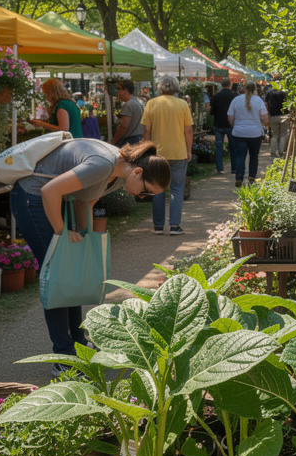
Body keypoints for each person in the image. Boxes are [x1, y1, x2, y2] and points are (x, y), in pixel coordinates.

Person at [11, 139, 170, 365]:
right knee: (60, 276)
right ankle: (64, 358)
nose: (142, 197)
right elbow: (49, 191)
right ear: (137, 172)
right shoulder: (104, 164)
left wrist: (83, 236)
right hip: (32, 197)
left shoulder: (118, 172)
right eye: (146, 191)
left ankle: (78, 344)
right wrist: (62, 233)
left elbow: (85, 199)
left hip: (54, 200)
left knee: (72, 272)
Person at [144, 75, 193, 235]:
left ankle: (158, 226)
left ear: (160, 87)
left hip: (158, 152)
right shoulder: (182, 104)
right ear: (175, 88)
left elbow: (146, 130)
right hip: (179, 152)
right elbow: (188, 130)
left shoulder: (151, 103)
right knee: (177, 189)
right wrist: (189, 150)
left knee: (158, 189)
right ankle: (174, 226)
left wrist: (145, 149)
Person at [228, 81, 269, 187]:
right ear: (255, 89)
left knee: (240, 156)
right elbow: (265, 117)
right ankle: (251, 177)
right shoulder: (258, 100)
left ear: (244, 89)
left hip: (239, 132)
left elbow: (230, 117)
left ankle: (239, 177)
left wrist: (234, 126)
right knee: (254, 156)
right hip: (255, 133)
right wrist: (262, 124)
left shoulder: (236, 100)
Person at [209, 80, 235, 175]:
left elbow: (212, 111)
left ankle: (220, 168)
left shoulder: (216, 97)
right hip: (230, 124)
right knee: (233, 147)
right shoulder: (233, 96)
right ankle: (234, 168)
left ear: (221, 85)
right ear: (230, 85)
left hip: (218, 124)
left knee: (219, 147)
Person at [111, 79, 145, 146]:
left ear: (126, 90)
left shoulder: (127, 105)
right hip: (139, 139)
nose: (118, 93)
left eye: (119, 89)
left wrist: (114, 141)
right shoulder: (138, 102)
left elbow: (124, 126)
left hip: (130, 141)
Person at [265, 77, 289, 156]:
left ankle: (273, 152)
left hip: (273, 115)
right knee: (283, 134)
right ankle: (281, 152)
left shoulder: (270, 92)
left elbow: (266, 103)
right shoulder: (284, 93)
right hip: (284, 115)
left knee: (274, 134)